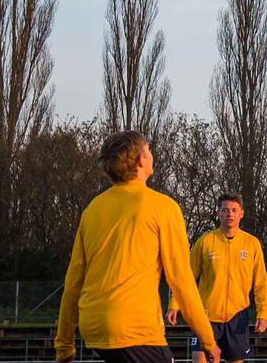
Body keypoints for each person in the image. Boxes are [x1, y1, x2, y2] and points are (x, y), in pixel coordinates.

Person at [55, 131, 220, 363]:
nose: (152, 155)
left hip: (93, 326)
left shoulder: (93, 209)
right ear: (141, 160)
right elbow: (180, 279)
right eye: (149, 150)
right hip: (135, 329)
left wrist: (64, 345)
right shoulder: (162, 207)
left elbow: (73, 282)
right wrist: (208, 339)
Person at [166, 193, 267, 363]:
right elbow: (187, 278)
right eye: (225, 210)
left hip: (237, 316)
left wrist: (263, 313)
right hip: (206, 316)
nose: (230, 214)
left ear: (241, 213)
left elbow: (260, 282)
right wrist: (174, 304)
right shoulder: (205, 242)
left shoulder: (252, 244)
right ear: (218, 213)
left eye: (234, 210)